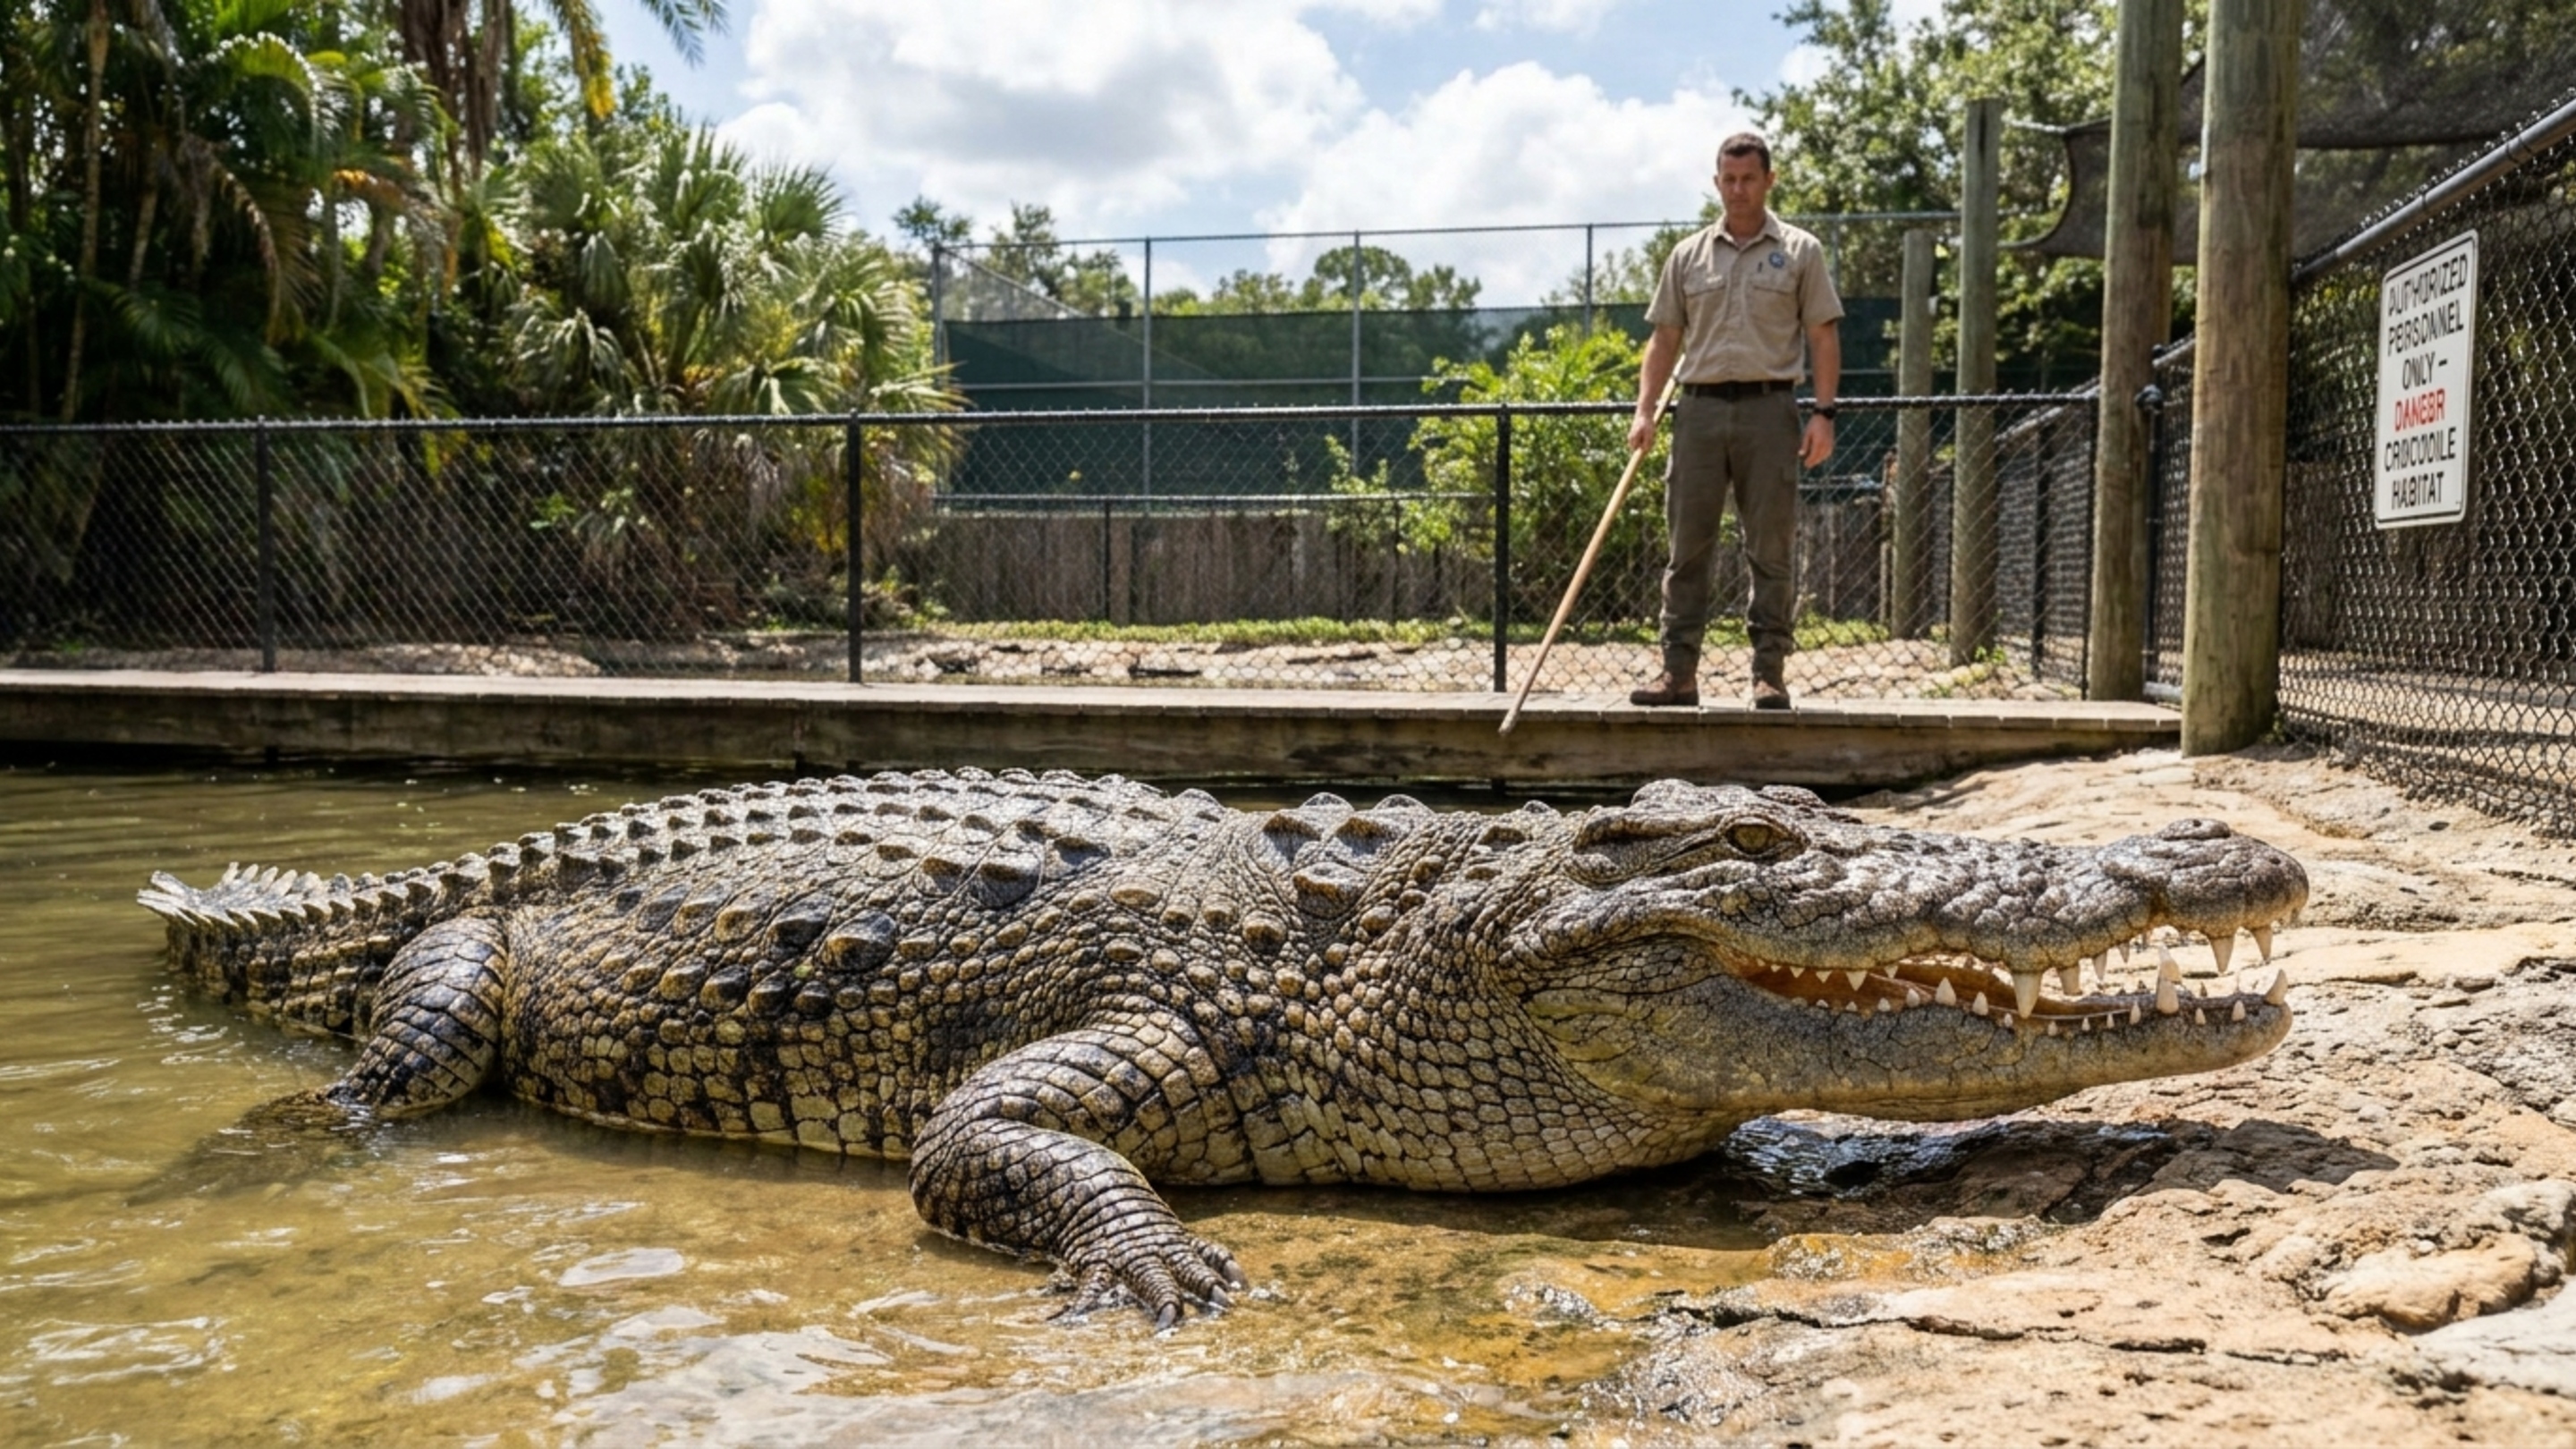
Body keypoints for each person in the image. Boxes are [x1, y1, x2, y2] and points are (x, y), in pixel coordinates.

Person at [1628, 131, 1843, 710]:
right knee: (1687, 547)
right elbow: (1664, 337)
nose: (1738, 190)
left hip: (1772, 411)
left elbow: (1823, 335)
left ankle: (1768, 676)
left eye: (1749, 179)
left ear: (1770, 180)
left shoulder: (1801, 252)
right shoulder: (1687, 255)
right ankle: (1678, 675)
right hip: (1696, 411)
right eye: (1729, 179)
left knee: (1769, 547)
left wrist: (1822, 414)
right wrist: (1645, 410)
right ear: (1716, 181)